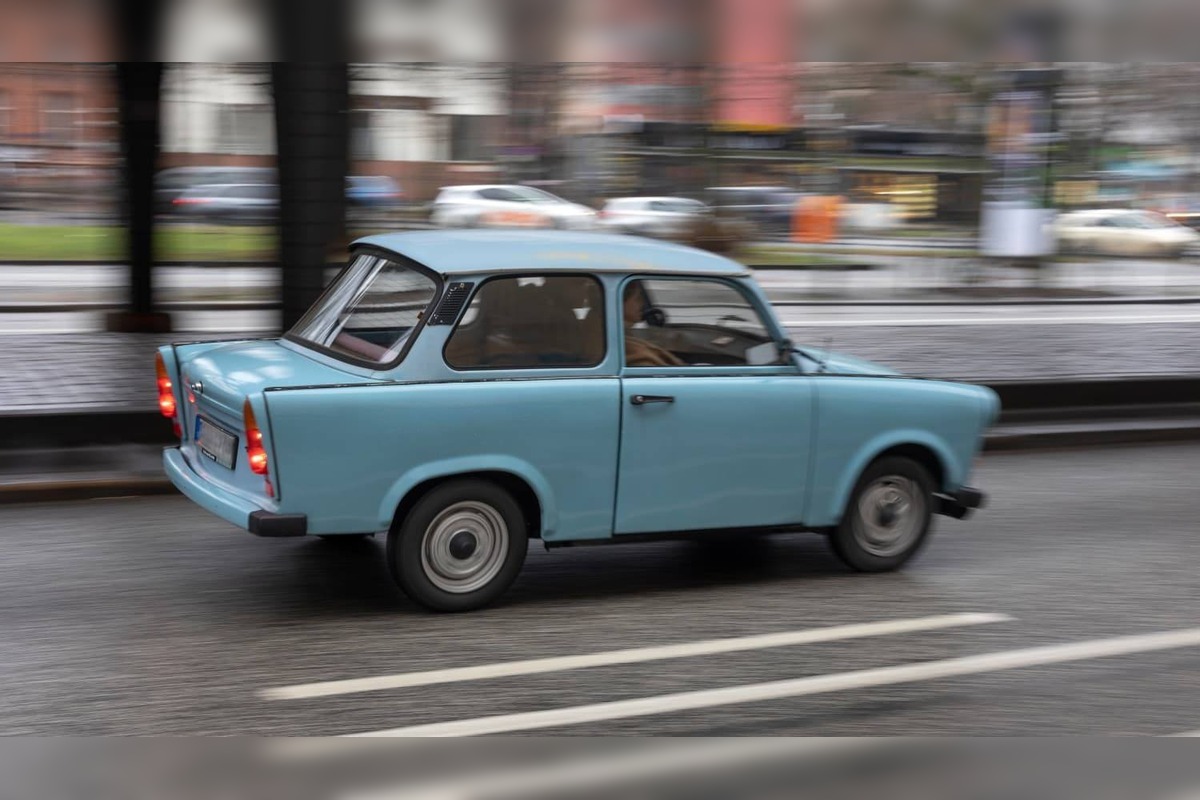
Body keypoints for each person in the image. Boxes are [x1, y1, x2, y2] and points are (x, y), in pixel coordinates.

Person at [623, 281, 684, 368]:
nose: (642, 304)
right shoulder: (634, 353)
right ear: (620, 302)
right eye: (637, 299)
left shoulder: (625, 339)